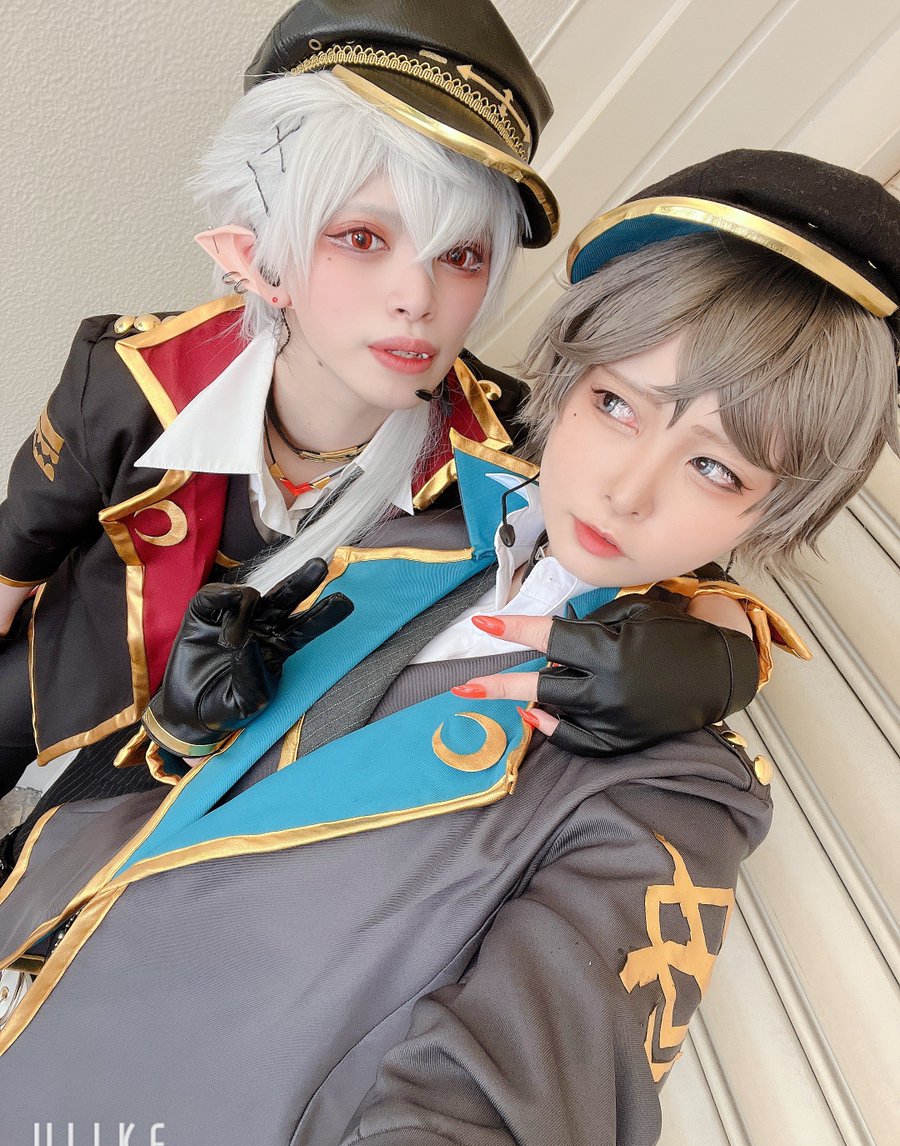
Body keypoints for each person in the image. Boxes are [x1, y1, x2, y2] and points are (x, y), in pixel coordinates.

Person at [0, 149, 895, 1146]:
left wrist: (728, 650)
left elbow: (509, 1111)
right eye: (616, 405)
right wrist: (185, 728)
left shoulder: (679, 790)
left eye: (714, 467)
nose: (628, 488)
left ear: (775, 511)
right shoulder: (416, 523)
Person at [0, 0, 763, 840]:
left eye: (462, 255)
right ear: (258, 255)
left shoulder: (510, 440)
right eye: (362, 237)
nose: (417, 297)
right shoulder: (125, 376)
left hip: (239, 758)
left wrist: (719, 664)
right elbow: (19, 551)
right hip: (76, 671)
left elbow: (690, 564)